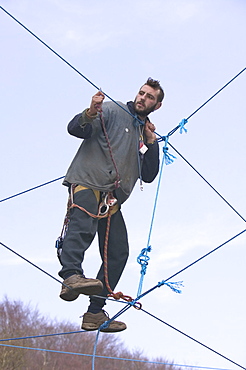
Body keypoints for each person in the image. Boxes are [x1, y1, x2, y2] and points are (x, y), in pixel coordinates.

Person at [58, 78, 164, 332]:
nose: (143, 98)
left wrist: (151, 142)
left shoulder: (144, 132)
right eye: (141, 93)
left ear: (157, 105)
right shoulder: (113, 110)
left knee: (118, 252)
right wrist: (90, 112)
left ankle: (94, 312)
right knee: (82, 224)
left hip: (112, 199)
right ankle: (71, 276)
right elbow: (76, 129)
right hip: (88, 181)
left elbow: (149, 175)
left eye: (150, 97)